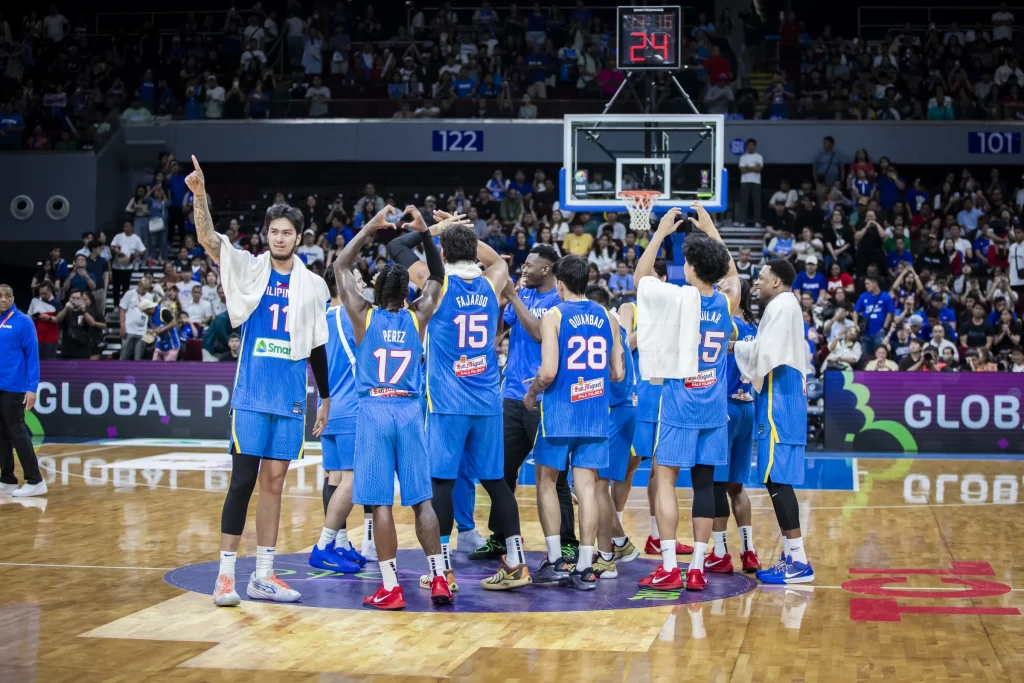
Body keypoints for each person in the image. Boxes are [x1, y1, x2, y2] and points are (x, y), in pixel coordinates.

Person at [187, 156, 333, 608]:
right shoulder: (249, 269)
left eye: (287, 232)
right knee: (242, 482)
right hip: (252, 394)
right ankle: (227, 576)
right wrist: (200, 196)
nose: (280, 238)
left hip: (290, 397)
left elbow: (317, 347)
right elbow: (209, 240)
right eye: (274, 232)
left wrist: (324, 398)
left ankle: (264, 575)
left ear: (299, 238)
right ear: (266, 235)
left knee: (275, 484)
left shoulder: (312, 284)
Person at [333, 205, 450, 611]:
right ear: (406, 294)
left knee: (379, 503)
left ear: (377, 289)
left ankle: (391, 587)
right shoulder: (419, 315)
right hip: (408, 413)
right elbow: (436, 277)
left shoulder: (362, 315)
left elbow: (340, 266)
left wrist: (370, 226)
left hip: (374, 413)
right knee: (422, 502)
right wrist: (426, 234)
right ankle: (438, 578)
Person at [415, 212, 532, 592]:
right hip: (486, 400)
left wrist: (445, 232)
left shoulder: (438, 284)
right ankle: (517, 562)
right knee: (497, 483)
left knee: (442, 485)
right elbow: (499, 261)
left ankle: (443, 569)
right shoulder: (490, 283)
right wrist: (462, 232)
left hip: (448, 403)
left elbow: (403, 251)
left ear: (443, 254)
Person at [634, 203, 736, 592]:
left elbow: (642, 277)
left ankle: (669, 566)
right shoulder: (727, 302)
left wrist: (660, 233)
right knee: (705, 486)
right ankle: (696, 567)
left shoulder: (676, 299)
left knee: (665, 481)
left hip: (679, 404)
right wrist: (710, 227)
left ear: (691, 268)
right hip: (713, 408)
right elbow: (733, 277)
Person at [524, 254, 625, 590]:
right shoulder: (607, 317)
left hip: (560, 412)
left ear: (561, 284)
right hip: (596, 413)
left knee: (547, 481)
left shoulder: (553, 315)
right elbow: (618, 373)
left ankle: (554, 561)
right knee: (589, 488)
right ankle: (585, 565)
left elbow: (549, 371)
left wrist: (533, 391)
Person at [480, 245, 579, 561]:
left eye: (529, 265)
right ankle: (501, 536)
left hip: (545, 398)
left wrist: (513, 295)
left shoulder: (557, 302)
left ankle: (567, 542)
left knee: (555, 477)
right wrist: (499, 300)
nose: (523, 269)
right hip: (511, 396)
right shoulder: (526, 296)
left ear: (547, 269)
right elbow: (497, 333)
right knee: (500, 470)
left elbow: (538, 333)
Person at [735, 258, 814, 585]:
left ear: (777, 282)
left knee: (776, 480)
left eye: (762, 278)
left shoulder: (781, 306)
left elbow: (764, 356)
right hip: (787, 399)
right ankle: (792, 555)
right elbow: (763, 349)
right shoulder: (788, 305)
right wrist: (736, 347)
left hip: (779, 400)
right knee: (778, 479)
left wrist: (733, 351)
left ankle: (798, 561)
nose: (757, 283)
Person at [616, 261, 692, 558]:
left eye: (651, 277)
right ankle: (615, 532)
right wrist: (650, 327)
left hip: (668, 396)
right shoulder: (630, 308)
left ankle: (657, 536)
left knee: (661, 472)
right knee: (628, 468)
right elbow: (621, 344)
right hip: (639, 397)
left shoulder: (675, 308)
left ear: (662, 280)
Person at [308, 266, 372, 575]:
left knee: (333, 478)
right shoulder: (352, 316)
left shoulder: (320, 315)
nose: (364, 287)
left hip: (328, 407)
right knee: (354, 479)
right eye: (359, 282)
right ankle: (324, 544)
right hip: (352, 408)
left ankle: (342, 544)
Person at [583, 284, 639, 579]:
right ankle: (620, 543)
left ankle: (607, 556)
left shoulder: (603, 324)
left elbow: (613, 373)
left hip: (616, 411)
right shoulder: (612, 323)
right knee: (593, 485)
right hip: (621, 410)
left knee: (596, 487)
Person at [709, 277, 760, 574]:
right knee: (737, 486)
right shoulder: (754, 326)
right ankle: (749, 550)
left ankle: (720, 552)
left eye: (724, 287)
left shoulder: (728, 324)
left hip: (726, 407)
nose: (718, 291)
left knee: (716, 484)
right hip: (747, 407)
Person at [0, 284, 45, 498]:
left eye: (7, 295)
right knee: (1, 434)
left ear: (13, 297)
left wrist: (32, 388)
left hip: (15, 387)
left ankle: (35, 480)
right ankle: (7, 478)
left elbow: (32, 357)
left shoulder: (23, 322)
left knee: (18, 432)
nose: (3, 299)